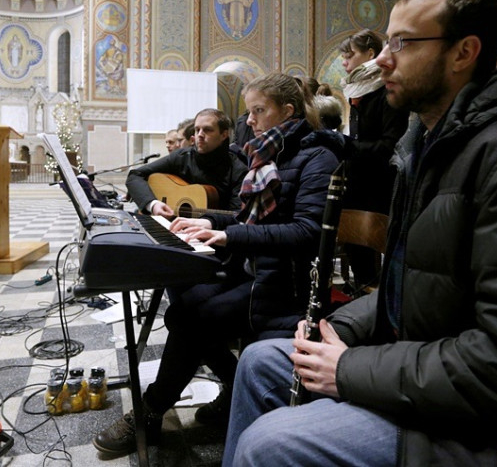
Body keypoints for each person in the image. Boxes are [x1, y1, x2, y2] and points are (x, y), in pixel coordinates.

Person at [223, 0, 497, 467]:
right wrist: (339, 330)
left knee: (272, 443)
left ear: (463, 53)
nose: (381, 59)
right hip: (438, 379)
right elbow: (411, 288)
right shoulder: (431, 149)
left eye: (402, 43)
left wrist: (349, 369)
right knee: (261, 360)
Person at [94, 73, 342, 456]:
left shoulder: (317, 157)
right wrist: (209, 222)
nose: (250, 120)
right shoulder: (268, 153)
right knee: (183, 310)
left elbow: (307, 233)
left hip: (285, 289)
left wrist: (230, 236)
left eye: (259, 111)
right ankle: (229, 387)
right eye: (249, 111)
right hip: (257, 273)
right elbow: (248, 219)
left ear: (287, 111)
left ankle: (151, 412)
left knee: (190, 319)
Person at [337, 29, 409, 291]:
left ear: (370, 54)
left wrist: (347, 145)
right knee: (357, 252)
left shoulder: (386, 90)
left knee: (379, 249)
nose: (344, 62)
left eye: (350, 55)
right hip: (357, 181)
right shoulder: (359, 89)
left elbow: (390, 145)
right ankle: (362, 291)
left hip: (380, 183)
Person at [126, 109, 247, 218]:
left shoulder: (238, 170)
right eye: (197, 130)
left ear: (224, 135)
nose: (200, 135)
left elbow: (238, 217)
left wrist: (210, 222)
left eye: (207, 130)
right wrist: (153, 204)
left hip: (211, 232)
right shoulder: (182, 157)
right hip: (169, 226)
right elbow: (135, 175)